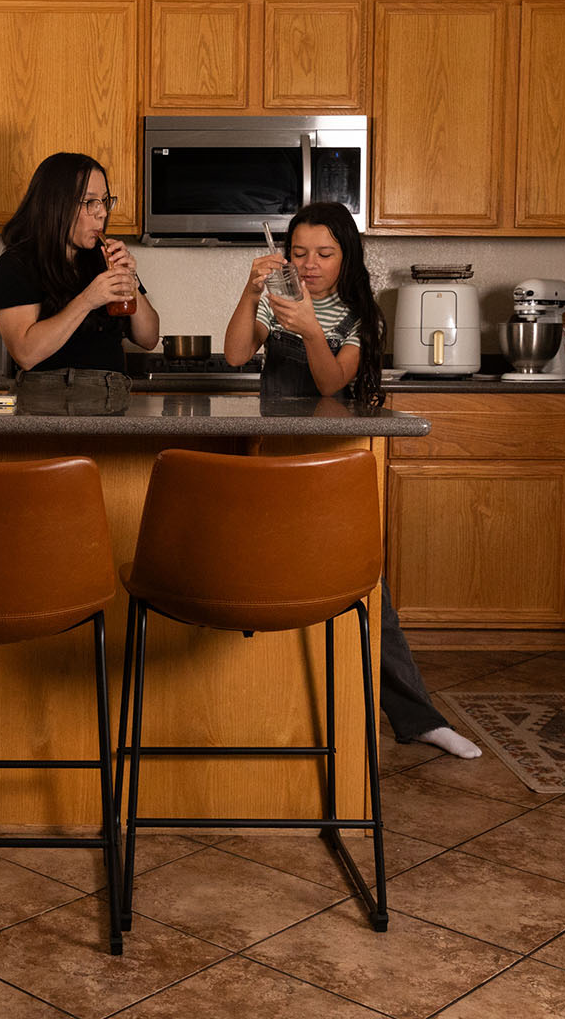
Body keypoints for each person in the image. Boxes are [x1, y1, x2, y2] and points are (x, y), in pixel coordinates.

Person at [222, 202, 481, 759]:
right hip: (275, 461)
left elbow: (333, 382)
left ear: (347, 257)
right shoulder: (278, 301)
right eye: (298, 253)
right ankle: (272, 720)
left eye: (324, 254)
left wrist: (313, 330)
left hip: (332, 464)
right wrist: (250, 292)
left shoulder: (358, 314)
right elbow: (236, 352)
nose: (309, 265)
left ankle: (419, 719)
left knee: (367, 590)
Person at [0, 151, 160, 371]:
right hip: (47, 403)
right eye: (91, 202)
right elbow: (25, 354)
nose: (102, 212)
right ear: (56, 205)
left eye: (104, 201)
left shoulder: (106, 258)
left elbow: (149, 339)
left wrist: (130, 283)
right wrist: (88, 299)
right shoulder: (16, 265)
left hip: (112, 400)